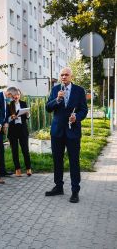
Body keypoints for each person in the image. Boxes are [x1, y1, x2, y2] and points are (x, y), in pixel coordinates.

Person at [45, 67, 88, 203]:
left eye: (66, 75)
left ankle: (75, 191)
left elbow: (84, 110)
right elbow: (48, 108)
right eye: (62, 75)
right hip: (57, 131)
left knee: (74, 161)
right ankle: (58, 187)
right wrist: (57, 99)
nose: (63, 77)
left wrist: (77, 117)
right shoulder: (55, 90)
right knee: (57, 160)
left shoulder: (79, 91)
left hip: (73, 131)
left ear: (71, 76)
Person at [0, 87, 18, 177]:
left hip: (2, 127)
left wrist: (6, 122)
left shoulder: (5, 99)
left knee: (1, 150)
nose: (12, 99)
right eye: (13, 97)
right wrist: (1, 124)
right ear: (9, 94)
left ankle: (3, 171)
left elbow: (5, 113)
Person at [8, 89, 32, 177]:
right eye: (14, 94)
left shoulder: (23, 103)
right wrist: (12, 117)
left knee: (25, 150)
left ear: (20, 95)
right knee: (15, 150)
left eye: (18, 94)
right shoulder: (9, 105)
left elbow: (27, 117)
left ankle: (28, 168)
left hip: (22, 129)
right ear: (12, 95)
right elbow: (7, 119)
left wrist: (28, 114)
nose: (16, 96)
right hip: (13, 130)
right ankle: (17, 169)